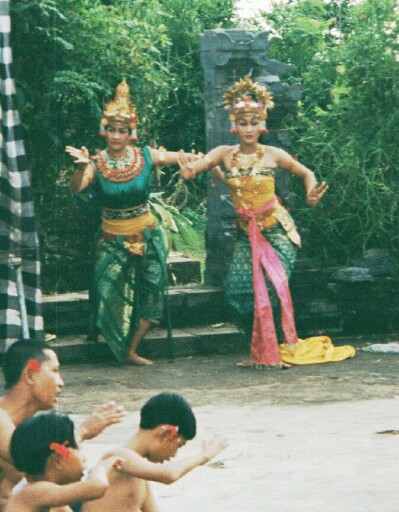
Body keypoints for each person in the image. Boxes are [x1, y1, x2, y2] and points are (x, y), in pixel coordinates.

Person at [179, 76, 355, 369]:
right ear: (235, 125)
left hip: (278, 232)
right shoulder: (224, 154)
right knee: (237, 292)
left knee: (272, 288)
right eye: (243, 122)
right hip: (247, 235)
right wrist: (189, 171)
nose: (249, 129)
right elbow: (198, 166)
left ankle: (274, 351)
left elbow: (306, 172)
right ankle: (258, 351)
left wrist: (310, 191)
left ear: (262, 125)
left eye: (254, 122)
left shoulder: (274, 155)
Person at [66, 79, 196, 366]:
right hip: (112, 237)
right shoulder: (96, 163)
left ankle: (131, 349)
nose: (115, 136)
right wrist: (79, 168)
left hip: (148, 234)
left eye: (121, 131)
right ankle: (112, 340)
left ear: (130, 133)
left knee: (153, 289)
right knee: (105, 288)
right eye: (111, 130)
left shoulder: (145, 156)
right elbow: (77, 189)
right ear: (105, 132)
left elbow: (179, 157)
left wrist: (198, 162)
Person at [0, 339, 126, 511]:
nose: (61, 382)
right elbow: (28, 453)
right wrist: (83, 431)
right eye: (55, 371)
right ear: (30, 375)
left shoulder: (32, 428)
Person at [83, 392, 228, 512]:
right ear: (164, 434)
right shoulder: (117, 457)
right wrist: (205, 455)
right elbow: (168, 475)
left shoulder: (139, 472)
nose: (174, 455)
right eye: (178, 446)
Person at [5, 411, 120, 512]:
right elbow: (98, 487)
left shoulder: (55, 501)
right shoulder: (34, 492)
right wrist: (102, 466)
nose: (84, 457)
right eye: (77, 447)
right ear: (58, 460)